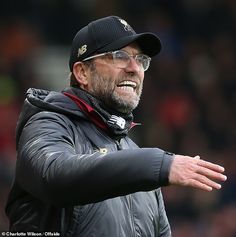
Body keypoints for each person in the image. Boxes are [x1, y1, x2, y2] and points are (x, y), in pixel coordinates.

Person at [5, 15, 227, 236]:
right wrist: (158, 164)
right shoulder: (47, 123)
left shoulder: (137, 157)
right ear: (82, 72)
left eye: (141, 59)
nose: (134, 68)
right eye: (120, 56)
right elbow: (53, 176)